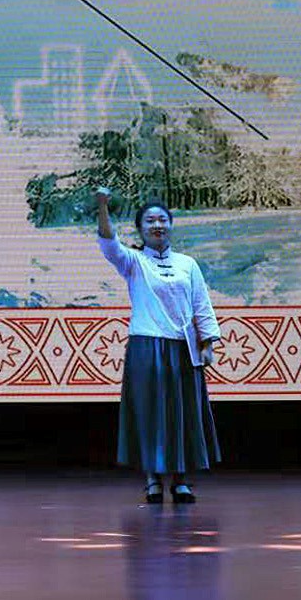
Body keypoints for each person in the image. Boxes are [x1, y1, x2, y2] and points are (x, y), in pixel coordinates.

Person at [95, 188, 221, 504]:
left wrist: (207, 342)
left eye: (162, 220)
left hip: (183, 349)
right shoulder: (133, 261)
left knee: (183, 415)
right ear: (140, 229)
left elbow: (201, 304)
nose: (157, 225)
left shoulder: (187, 264)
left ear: (171, 225)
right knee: (149, 413)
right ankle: (152, 480)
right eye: (150, 221)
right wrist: (103, 206)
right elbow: (109, 242)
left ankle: (181, 481)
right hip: (146, 348)